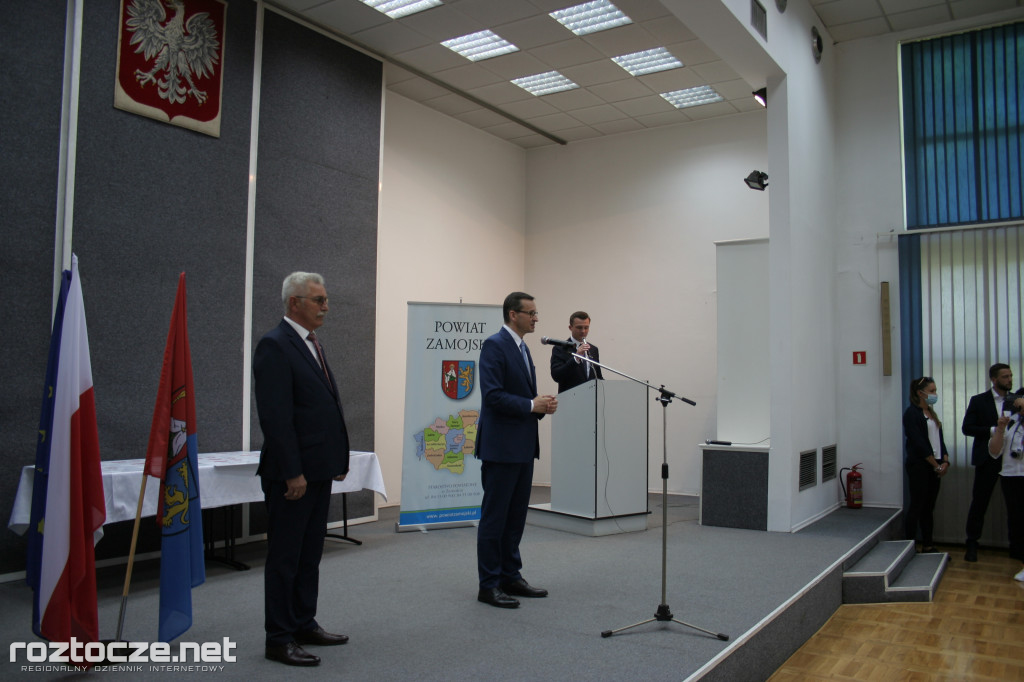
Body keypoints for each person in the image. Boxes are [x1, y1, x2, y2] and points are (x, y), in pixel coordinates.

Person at [253, 272, 351, 667]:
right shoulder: (275, 345)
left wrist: (336, 461)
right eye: (318, 300)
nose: (326, 306)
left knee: (310, 554)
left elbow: (321, 408)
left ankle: (302, 621)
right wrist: (293, 472)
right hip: (292, 475)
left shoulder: (312, 344)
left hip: (318, 470)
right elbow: (276, 419)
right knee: (285, 558)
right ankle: (278, 637)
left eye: (326, 299)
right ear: (295, 303)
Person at [475, 292, 558, 608]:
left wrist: (540, 406)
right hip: (500, 448)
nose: (536, 318)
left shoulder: (522, 349)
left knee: (515, 517)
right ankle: (489, 584)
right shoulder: (495, 345)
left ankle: (511, 575)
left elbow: (522, 396)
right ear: (513, 314)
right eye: (531, 313)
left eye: (536, 313)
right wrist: (529, 404)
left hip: (522, 446)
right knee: (495, 518)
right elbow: (493, 396)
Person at [962, 363, 1014, 562]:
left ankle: (1015, 546)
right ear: (994, 379)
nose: (1009, 380)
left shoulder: (1016, 400)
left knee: (1015, 505)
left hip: (1012, 460)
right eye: (1005, 377)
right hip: (987, 459)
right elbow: (967, 428)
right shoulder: (979, 401)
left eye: (1010, 376)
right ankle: (972, 543)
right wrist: (994, 430)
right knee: (979, 503)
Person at [902, 376, 950, 553]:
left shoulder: (931, 413)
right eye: (931, 391)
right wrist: (934, 464)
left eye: (935, 390)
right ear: (920, 393)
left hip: (935, 465)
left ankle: (928, 544)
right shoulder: (912, 414)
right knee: (917, 504)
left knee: (929, 506)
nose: (935, 394)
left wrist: (944, 461)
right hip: (920, 465)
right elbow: (919, 443)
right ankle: (908, 546)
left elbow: (940, 440)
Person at [985, 393, 1024, 582]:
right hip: (1011, 477)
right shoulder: (1011, 422)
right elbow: (994, 451)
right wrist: (1000, 429)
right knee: (1017, 521)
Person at [549, 310, 603, 393]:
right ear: (570, 328)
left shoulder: (593, 350)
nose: (583, 331)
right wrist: (576, 358)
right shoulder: (560, 348)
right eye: (579, 327)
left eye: (586, 327)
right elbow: (556, 376)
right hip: (570, 400)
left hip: (591, 401)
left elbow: (598, 377)